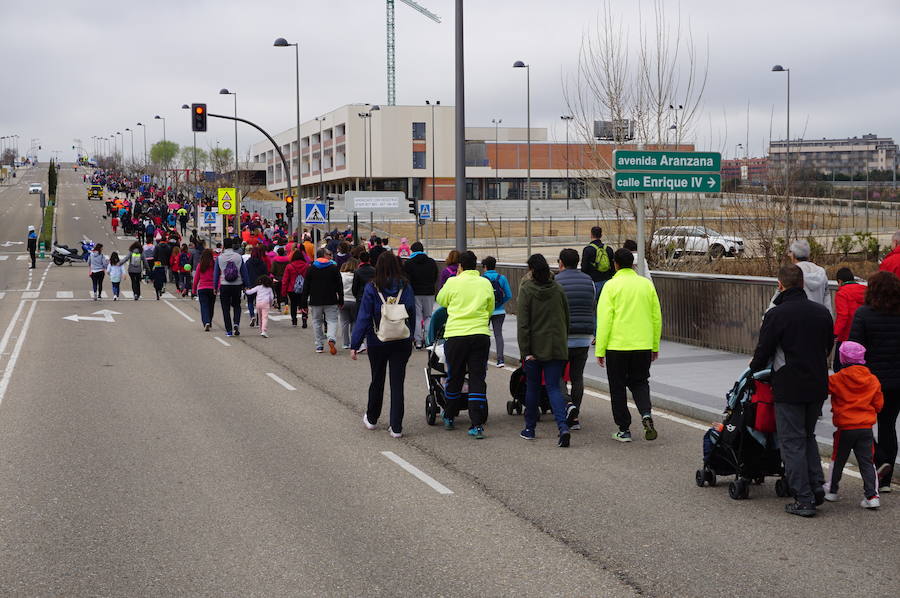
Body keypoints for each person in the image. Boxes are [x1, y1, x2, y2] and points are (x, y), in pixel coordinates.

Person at [749, 265, 834, 517]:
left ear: (780, 285)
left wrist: (753, 370)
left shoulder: (777, 314)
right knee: (808, 436)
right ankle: (816, 485)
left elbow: (763, 351)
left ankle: (803, 498)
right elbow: (828, 346)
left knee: (792, 442)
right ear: (802, 284)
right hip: (818, 384)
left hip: (789, 385)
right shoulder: (822, 313)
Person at [596, 248, 662, 443]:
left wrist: (600, 349)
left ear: (615, 264)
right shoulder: (646, 285)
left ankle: (624, 429)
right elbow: (656, 317)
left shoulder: (610, 286)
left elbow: (605, 319)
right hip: (642, 344)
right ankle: (646, 414)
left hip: (617, 346)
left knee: (617, 388)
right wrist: (654, 345)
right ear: (633, 264)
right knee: (640, 382)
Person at [351, 253, 416, 438]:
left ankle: (372, 419)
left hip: (377, 339)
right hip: (401, 339)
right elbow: (411, 310)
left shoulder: (372, 287)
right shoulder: (405, 285)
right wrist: (412, 336)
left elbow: (364, 316)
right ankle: (396, 427)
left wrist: (355, 343)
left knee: (377, 379)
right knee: (397, 383)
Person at [849, 271, 900, 494]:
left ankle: (878, 461)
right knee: (888, 425)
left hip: (870, 381)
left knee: (863, 425)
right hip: (897, 381)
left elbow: (854, 349)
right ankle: (886, 479)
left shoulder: (863, 314)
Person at [435, 250, 495, 439]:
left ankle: (450, 416)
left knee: (455, 376)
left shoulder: (453, 282)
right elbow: (490, 307)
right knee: (477, 377)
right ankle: (476, 424)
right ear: (476, 265)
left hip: (456, 335)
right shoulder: (485, 283)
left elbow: (441, 300)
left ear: (460, 266)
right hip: (480, 334)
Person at [517, 254, 572, 447]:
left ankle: (530, 428)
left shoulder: (527, 290)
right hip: (556, 347)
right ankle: (563, 427)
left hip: (534, 349)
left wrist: (525, 351)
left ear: (531, 270)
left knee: (532, 388)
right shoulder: (558, 289)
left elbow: (523, 323)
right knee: (554, 388)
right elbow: (566, 317)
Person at [824, 341, 883, 509]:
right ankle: (872, 496)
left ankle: (832, 490)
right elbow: (879, 404)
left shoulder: (837, 378)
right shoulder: (872, 379)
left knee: (838, 459)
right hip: (865, 428)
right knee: (867, 462)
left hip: (845, 427)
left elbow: (824, 389)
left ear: (842, 358)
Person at [555, 248, 596, 430]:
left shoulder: (556, 281)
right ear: (578, 262)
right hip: (584, 336)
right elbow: (593, 304)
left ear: (561, 263)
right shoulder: (589, 281)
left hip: (563, 336)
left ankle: (567, 405)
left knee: (557, 376)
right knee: (577, 377)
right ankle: (575, 417)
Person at [302, 248, 343, 354]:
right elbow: (339, 285)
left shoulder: (311, 269)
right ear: (324, 255)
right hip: (331, 299)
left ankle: (319, 345)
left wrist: (303, 303)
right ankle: (331, 338)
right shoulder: (333, 268)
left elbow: (306, 287)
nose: (330, 256)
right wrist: (341, 300)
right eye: (328, 254)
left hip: (315, 299)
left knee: (316, 322)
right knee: (332, 321)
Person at [403, 242, 439, 350]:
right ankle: (428, 340)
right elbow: (435, 276)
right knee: (428, 316)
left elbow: (406, 279)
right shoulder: (431, 262)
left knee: (417, 317)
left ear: (412, 251)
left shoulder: (409, 263)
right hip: (429, 292)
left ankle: (418, 341)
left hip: (415, 293)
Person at [213, 238, 250, 337]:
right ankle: (236, 323)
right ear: (233, 245)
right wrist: (247, 285)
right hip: (237, 285)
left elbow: (216, 274)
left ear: (223, 246)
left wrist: (215, 287)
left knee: (225, 308)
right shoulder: (238, 257)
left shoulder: (220, 258)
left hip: (224, 285)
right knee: (237, 305)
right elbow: (244, 272)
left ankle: (229, 330)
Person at [833, 267, 866, 372]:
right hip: (863, 335)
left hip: (846, 337)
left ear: (840, 281)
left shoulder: (842, 293)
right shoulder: (866, 291)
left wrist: (835, 333)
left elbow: (843, 315)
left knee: (839, 368)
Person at [481, 256, 512, 367]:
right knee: (498, 335)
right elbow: (509, 295)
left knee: (484, 335)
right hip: (499, 312)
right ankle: (500, 360)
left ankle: (483, 359)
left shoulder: (482, 279)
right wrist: (500, 303)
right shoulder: (502, 278)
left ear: (485, 267)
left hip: (485, 312)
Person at [789, 239, 830, 310]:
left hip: (797, 317)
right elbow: (827, 300)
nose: (788, 255)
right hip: (819, 316)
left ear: (793, 255)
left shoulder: (791, 273)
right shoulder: (821, 272)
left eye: (790, 252)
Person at [581, 226, 615, 295]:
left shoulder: (587, 250)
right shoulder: (608, 249)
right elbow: (613, 268)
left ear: (591, 235)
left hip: (594, 281)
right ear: (601, 235)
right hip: (607, 281)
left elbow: (584, 268)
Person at [281, 250, 309, 328]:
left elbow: (285, 280)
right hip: (304, 288)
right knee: (304, 304)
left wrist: (283, 293)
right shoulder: (306, 266)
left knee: (293, 304)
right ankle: (304, 319)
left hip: (292, 289)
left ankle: (294, 321)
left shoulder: (289, 266)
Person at [245, 246, 269, 328]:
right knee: (259, 303)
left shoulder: (248, 263)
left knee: (250, 302)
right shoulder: (262, 263)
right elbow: (266, 274)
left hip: (250, 284)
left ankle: (252, 316)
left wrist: (245, 284)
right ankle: (259, 319)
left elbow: (245, 274)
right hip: (260, 285)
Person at [193, 249, 216, 331]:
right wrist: (217, 287)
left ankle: (206, 321)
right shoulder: (214, 264)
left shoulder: (200, 265)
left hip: (202, 288)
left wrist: (194, 289)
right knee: (211, 306)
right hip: (212, 288)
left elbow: (196, 278)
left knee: (204, 306)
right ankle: (209, 321)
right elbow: (217, 276)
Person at [338, 259, 358, 349]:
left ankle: (345, 343)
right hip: (354, 301)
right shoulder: (357, 276)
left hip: (343, 300)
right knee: (354, 321)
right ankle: (354, 341)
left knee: (344, 322)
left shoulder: (341, 275)